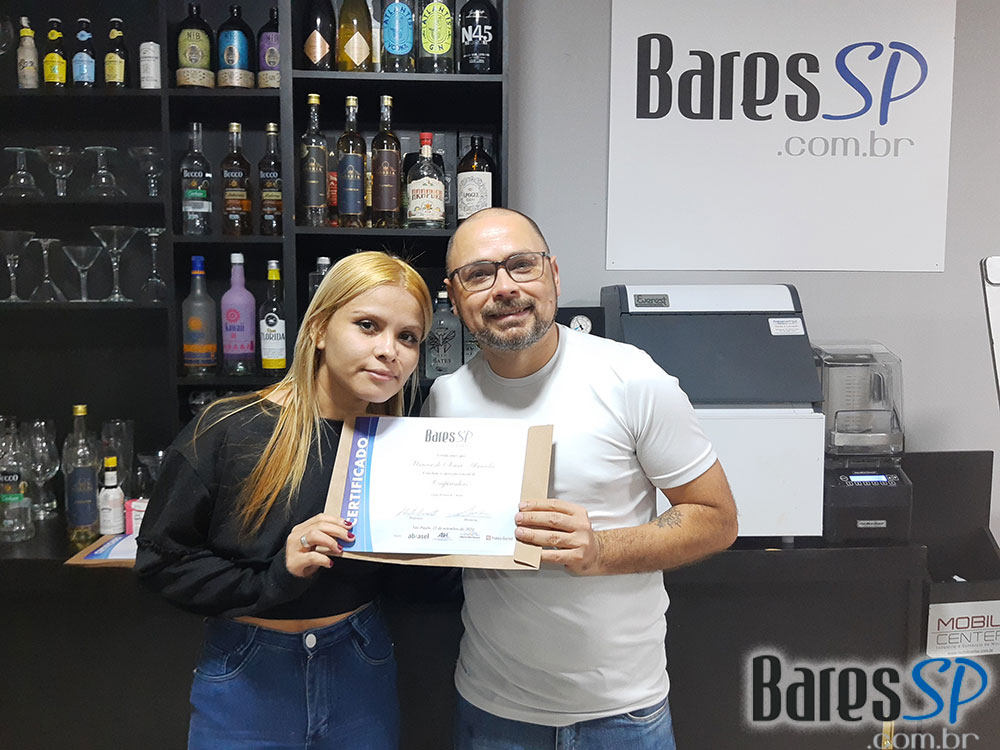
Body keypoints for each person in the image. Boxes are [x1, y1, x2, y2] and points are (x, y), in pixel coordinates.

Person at [422, 208, 739, 750]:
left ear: (553, 275)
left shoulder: (631, 377)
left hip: (622, 715)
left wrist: (600, 550)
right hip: (492, 711)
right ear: (453, 297)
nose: (505, 287)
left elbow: (716, 519)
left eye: (522, 265)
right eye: (478, 274)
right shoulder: (445, 397)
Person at [135, 251, 433, 750]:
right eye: (367, 325)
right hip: (250, 672)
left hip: (361, 664)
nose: (389, 351)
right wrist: (277, 575)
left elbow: (410, 582)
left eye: (408, 337)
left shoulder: (402, 446)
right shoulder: (227, 430)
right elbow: (161, 562)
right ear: (318, 329)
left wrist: (482, 535)